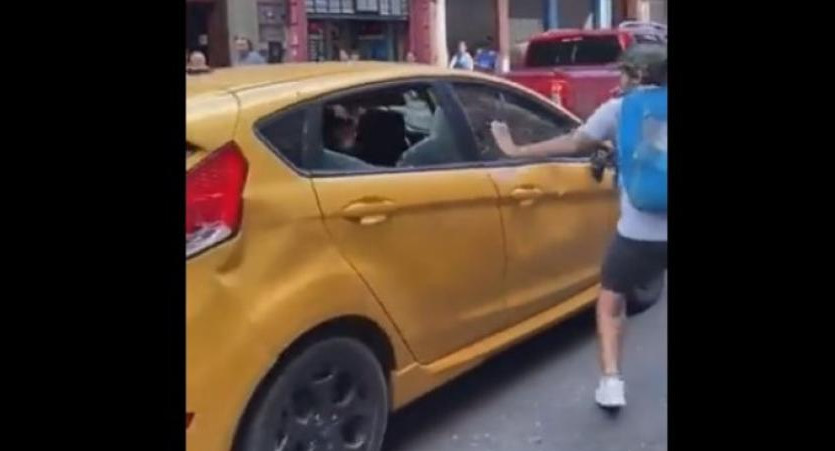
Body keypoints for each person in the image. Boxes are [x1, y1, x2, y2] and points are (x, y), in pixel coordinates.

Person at [490, 44, 667, 409]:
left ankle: (612, 383)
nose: (619, 77)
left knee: (610, 302)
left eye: (624, 71)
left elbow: (574, 141)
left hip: (638, 234)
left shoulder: (619, 110)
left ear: (636, 75)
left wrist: (515, 150)